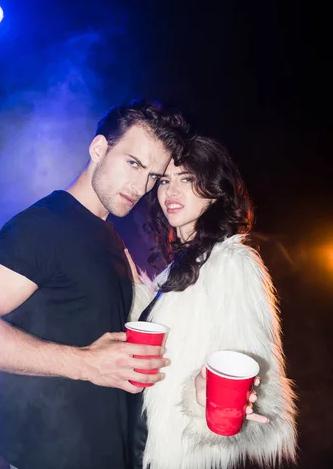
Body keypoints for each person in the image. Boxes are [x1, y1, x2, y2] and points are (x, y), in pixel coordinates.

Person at [0, 99, 190, 469]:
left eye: (153, 176)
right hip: (48, 455)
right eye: (134, 164)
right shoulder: (44, 226)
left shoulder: (111, 237)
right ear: (99, 148)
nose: (141, 186)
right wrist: (84, 363)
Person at [127, 135, 297, 469]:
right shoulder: (181, 267)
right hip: (147, 443)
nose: (170, 192)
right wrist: (133, 284)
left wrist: (220, 400)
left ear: (215, 191)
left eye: (187, 179)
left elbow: (254, 370)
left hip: (185, 453)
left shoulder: (231, 262)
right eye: (164, 181)